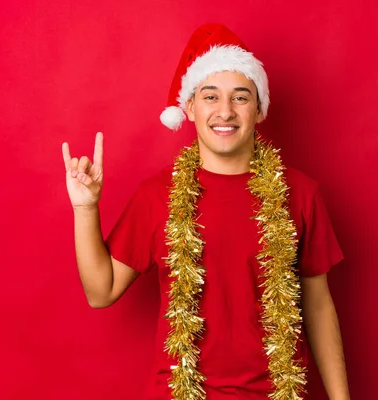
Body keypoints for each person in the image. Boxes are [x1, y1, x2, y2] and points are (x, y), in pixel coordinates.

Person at [62, 23, 351, 400]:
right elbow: (101, 292)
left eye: (241, 98)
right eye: (210, 97)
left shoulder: (300, 193)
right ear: (190, 108)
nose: (225, 112)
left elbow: (317, 304)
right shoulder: (157, 196)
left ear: (260, 110)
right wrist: (85, 208)